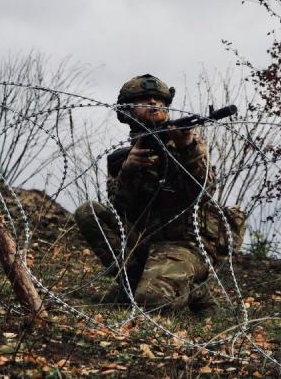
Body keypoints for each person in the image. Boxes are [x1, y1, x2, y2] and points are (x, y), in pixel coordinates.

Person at [74, 74, 246, 312]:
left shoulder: (190, 146)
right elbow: (121, 209)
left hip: (186, 245)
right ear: (128, 112)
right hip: (146, 241)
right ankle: (134, 283)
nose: (153, 103)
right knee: (89, 212)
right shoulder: (126, 156)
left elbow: (203, 192)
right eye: (144, 99)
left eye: (159, 100)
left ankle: (195, 288)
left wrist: (187, 149)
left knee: (153, 302)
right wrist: (128, 171)